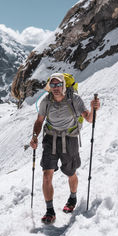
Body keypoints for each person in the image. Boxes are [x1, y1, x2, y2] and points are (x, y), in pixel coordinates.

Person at [30, 73, 100, 224]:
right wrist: (35, 136)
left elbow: (88, 118)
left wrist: (94, 109)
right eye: (52, 85)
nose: (55, 88)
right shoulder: (46, 102)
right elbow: (39, 121)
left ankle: (72, 198)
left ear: (64, 85)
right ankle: (50, 211)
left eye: (58, 85)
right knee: (46, 175)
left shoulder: (74, 99)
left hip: (70, 138)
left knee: (70, 172)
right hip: (50, 138)